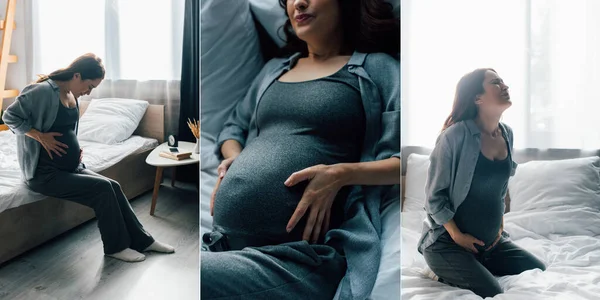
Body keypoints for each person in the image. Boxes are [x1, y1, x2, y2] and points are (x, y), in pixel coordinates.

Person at [201, 0, 400, 299]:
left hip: (297, 259)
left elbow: (405, 160)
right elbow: (232, 130)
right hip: (222, 244)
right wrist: (236, 160)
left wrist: (340, 174)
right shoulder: (274, 70)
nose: (299, 3)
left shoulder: (377, 67)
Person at [2, 53, 175, 263]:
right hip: (44, 174)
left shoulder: (71, 95)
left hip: (70, 167)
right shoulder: (42, 91)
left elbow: (66, 129)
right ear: (77, 76)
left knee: (113, 186)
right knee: (102, 190)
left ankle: (143, 241)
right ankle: (115, 247)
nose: (88, 92)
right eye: (90, 86)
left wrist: (73, 149)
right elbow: (9, 116)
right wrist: (40, 137)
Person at [418, 68, 546, 298]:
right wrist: (458, 236)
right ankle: (440, 270)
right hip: (448, 243)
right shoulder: (453, 137)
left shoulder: (507, 134)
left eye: (503, 81)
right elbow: (433, 197)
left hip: (490, 244)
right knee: (493, 291)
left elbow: (499, 189)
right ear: (477, 98)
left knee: (538, 269)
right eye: (496, 83)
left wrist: (499, 226)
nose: (505, 86)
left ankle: (475, 265)